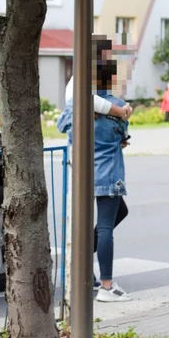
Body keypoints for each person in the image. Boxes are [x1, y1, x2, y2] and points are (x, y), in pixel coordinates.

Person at [57, 38, 132, 302]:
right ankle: (108, 286)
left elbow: (62, 126)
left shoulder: (75, 106)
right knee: (106, 228)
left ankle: (83, 272)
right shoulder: (118, 107)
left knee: (90, 224)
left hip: (81, 172)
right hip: (108, 173)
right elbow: (122, 136)